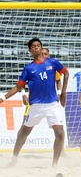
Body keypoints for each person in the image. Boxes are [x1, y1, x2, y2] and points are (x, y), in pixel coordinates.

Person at [0, 37, 69, 167]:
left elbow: (66, 73)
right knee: (23, 132)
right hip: (36, 106)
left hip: (52, 104)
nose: (36, 48)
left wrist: (63, 93)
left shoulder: (52, 62)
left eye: (38, 45)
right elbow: (19, 86)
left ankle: (54, 164)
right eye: (34, 46)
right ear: (30, 50)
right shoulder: (28, 69)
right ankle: (14, 158)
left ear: (41, 48)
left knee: (60, 132)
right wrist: (3, 98)